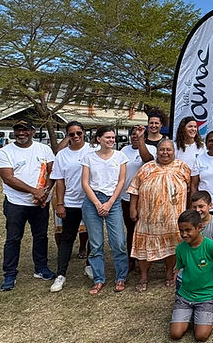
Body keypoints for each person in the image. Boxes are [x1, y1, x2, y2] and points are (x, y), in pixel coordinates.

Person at [0, 118, 56, 291]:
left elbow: (53, 172)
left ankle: (41, 268)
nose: (21, 133)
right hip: (16, 203)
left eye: (25, 130)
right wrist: (33, 191)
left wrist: (45, 192)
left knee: (41, 236)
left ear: (33, 132)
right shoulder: (5, 152)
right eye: (18, 130)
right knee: (13, 238)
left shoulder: (44, 149)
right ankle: (10, 274)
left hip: (41, 202)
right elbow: (8, 178)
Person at [127, 138, 189, 292]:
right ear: (157, 151)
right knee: (144, 247)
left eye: (169, 150)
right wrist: (133, 208)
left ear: (174, 152)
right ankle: (143, 276)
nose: (165, 153)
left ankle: (169, 273)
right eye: (162, 150)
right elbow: (134, 189)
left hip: (173, 218)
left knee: (172, 246)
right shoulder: (147, 168)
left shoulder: (182, 167)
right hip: (148, 218)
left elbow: (191, 189)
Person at [80, 125, 130, 295]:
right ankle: (98, 279)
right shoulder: (89, 158)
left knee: (119, 243)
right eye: (107, 137)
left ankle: (121, 277)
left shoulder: (120, 156)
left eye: (113, 137)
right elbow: (85, 183)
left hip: (113, 201)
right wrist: (97, 203)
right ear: (99, 139)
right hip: (92, 202)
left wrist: (109, 203)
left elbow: (121, 182)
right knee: (96, 244)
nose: (111, 140)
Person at [170, 209, 213, 342]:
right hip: (186, 295)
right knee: (175, 334)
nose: (184, 234)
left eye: (188, 230)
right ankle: (189, 314)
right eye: (181, 230)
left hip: (206, 296)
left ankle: (210, 310)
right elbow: (180, 269)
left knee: (200, 336)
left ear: (199, 228)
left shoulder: (211, 247)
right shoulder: (180, 249)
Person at [48, 121, 91, 292]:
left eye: (79, 133)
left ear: (83, 133)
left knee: (93, 237)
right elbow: (59, 181)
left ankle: (90, 266)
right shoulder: (62, 155)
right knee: (67, 237)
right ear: (67, 136)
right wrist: (60, 203)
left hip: (90, 201)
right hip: (71, 202)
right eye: (71, 134)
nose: (76, 137)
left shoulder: (93, 150)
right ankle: (61, 275)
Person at [120, 125, 147, 272]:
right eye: (133, 135)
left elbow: (147, 159)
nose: (135, 137)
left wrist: (142, 140)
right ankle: (131, 259)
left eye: (138, 135)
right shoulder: (124, 151)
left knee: (144, 229)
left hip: (145, 198)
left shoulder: (150, 149)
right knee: (131, 229)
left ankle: (145, 259)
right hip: (126, 197)